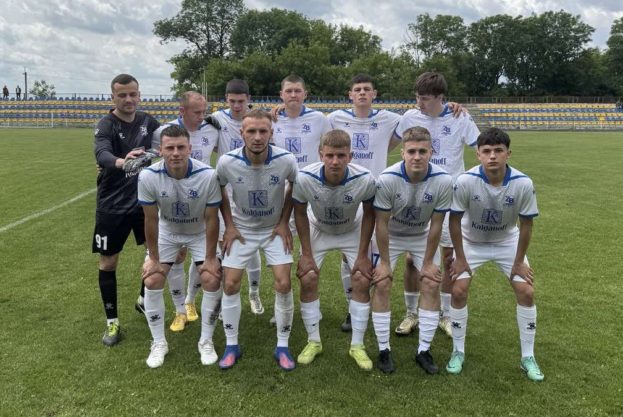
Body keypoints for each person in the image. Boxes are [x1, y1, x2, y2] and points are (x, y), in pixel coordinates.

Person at [446, 127, 544, 382]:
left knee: (526, 291)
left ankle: (528, 357)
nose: (492, 156)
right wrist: (460, 258)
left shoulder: (523, 183)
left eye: (498, 151)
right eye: (487, 151)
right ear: (477, 154)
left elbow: (526, 225)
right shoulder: (465, 181)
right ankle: (458, 351)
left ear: (508, 154)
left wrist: (519, 261)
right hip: (471, 242)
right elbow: (454, 221)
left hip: (506, 242)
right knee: (458, 290)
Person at [392, 72, 480, 337]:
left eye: (425, 98)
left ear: (441, 97)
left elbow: (481, 147)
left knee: (448, 258)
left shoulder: (459, 117)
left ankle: (445, 314)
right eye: (417, 97)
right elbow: (385, 143)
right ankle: (411, 313)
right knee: (411, 259)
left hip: (449, 197)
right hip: (416, 196)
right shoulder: (409, 117)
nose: (419, 103)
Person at [214, 109, 298, 371]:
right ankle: (231, 345)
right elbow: (219, 188)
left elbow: (294, 185)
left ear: (271, 133)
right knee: (230, 283)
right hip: (241, 229)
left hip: (274, 229)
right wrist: (229, 225)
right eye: (251, 131)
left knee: (284, 282)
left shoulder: (286, 160)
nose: (258, 137)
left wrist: (284, 222)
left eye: (263, 131)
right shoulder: (227, 162)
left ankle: (282, 346)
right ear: (242, 133)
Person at [138, 125, 222, 368]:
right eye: (170, 148)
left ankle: (206, 341)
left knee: (212, 278)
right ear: (160, 150)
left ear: (190, 149)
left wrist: (210, 258)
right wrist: (153, 258)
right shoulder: (148, 176)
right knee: (152, 279)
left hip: (199, 232)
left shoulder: (208, 175)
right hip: (168, 232)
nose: (176, 153)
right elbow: (150, 220)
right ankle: (158, 343)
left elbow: (212, 219)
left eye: (181, 147)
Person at [293, 129, 377, 370]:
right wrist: (306, 254)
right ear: (321, 154)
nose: (335, 161)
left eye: (341, 155)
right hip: (319, 228)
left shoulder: (364, 178)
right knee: (308, 277)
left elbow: (369, 214)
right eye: (329, 155)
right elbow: (300, 213)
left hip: (352, 228)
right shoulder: (305, 177)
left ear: (350, 156)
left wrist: (362, 255)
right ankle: (313, 341)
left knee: (361, 278)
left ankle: (357, 345)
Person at [372, 127, 452, 374]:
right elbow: (381, 224)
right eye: (412, 151)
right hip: (391, 236)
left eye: (422, 151)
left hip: (421, 235)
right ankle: (384, 349)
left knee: (430, 282)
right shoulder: (387, 179)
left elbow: (436, 225)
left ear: (431, 152)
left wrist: (427, 263)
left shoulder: (443, 180)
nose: (417, 156)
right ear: (403, 154)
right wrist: (385, 263)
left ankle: (424, 350)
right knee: (382, 282)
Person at [326, 74, 401, 332]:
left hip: (378, 193)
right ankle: (353, 307)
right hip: (348, 193)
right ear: (350, 94)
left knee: (377, 250)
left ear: (374, 94)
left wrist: (452, 106)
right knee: (350, 254)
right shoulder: (334, 118)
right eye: (357, 89)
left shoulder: (390, 119)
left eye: (366, 89)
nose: (361, 93)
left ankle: (374, 304)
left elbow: (419, 118)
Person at [93, 74, 160, 346]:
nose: (128, 99)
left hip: (144, 202)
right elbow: (101, 153)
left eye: (133, 94)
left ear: (139, 95)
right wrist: (123, 162)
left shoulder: (148, 121)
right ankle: (112, 323)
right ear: (113, 97)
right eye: (122, 95)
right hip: (112, 206)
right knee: (109, 262)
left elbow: (168, 138)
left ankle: (143, 299)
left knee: (155, 252)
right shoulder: (106, 124)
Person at [149, 91, 220, 333]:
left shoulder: (213, 128)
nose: (202, 116)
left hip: (204, 198)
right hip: (173, 199)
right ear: (182, 111)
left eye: (205, 111)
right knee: (177, 257)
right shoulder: (164, 131)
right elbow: (152, 156)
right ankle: (180, 309)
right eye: (197, 112)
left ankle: (190, 300)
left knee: (205, 260)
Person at [212, 79, 265, 316]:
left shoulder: (258, 119)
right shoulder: (216, 119)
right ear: (226, 99)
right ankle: (225, 298)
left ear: (248, 99)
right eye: (232, 101)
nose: (236, 106)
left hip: (252, 191)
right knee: (225, 247)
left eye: (241, 101)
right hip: (225, 193)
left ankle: (254, 293)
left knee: (251, 247)